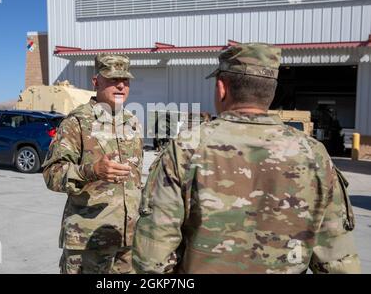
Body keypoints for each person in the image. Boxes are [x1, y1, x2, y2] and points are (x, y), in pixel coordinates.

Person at [132, 43, 361, 274]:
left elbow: (152, 259)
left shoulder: (186, 149)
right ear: (270, 92)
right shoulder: (314, 153)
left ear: (222, 88)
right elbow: (338, 261)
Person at [43, 53, 143, 274]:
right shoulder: (76, 122)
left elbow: (135, 180)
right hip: (88, 241)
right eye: (112, 79)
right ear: (96, 82)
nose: (120, 86)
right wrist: (92, 171)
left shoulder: (133, 122)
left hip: (127, 239)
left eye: (125, 80)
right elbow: (52, 174)